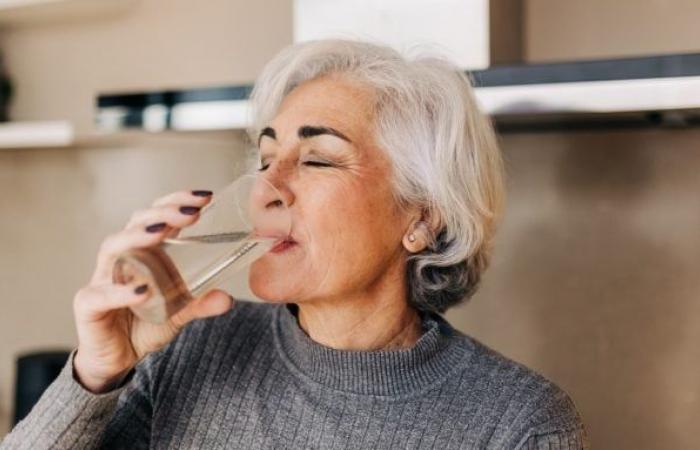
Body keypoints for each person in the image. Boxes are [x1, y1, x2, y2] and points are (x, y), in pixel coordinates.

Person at [1, 39, 588, 449]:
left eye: (316, 158)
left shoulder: (519, 425)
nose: (265, 190)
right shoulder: (188, 351)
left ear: (423, 217)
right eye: (264, 160)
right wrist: (97, 376)